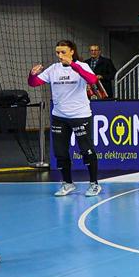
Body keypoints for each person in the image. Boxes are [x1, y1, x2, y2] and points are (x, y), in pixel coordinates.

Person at [28, 39, 102, 197]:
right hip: (59, 117)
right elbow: (33, 83)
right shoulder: (53, 69)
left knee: (87, 151)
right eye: (57, 52)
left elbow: (92, 80)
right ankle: (68, 183)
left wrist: (73, 65)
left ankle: (94, 184)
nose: (60, 55)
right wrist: (32, 75)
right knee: (60, 152)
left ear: (72, 52)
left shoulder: (82, 66)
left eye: (63, 52)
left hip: (80, 115)